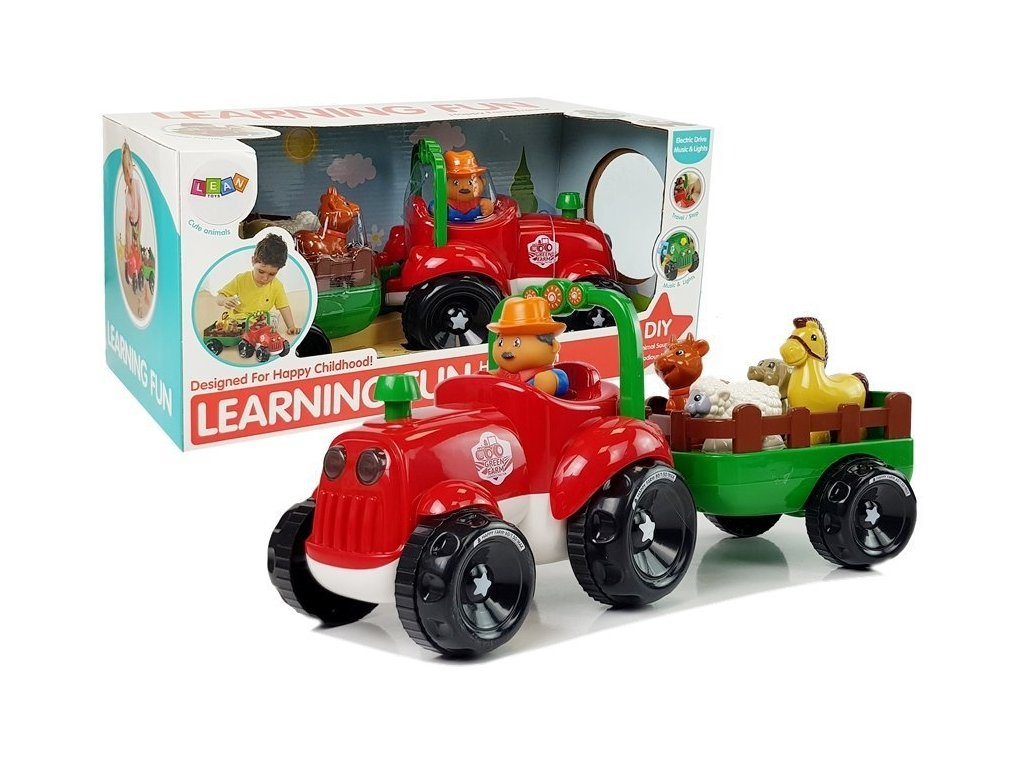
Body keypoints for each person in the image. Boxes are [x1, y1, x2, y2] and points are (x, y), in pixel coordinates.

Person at [216, 233, 300, 334]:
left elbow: (284, 307)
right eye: (261, 271)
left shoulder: (277, 286)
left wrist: (291, 326)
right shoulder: (241, 279)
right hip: (238, 320)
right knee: (230, 327)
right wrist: (224, 300)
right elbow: (219, 297)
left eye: (272, 274)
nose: (265, 278)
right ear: (253, 261)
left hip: (260, 320)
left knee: (272, 320)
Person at [487, 297, 569, 396]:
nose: (507, 350)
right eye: (501, 342)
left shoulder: (547, 375)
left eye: (517, 343)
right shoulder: (501, 375)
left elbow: (561, 383)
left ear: (553, 346)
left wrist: (551, 382)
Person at [443, 150, 494, 222]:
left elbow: (489, 210)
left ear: (483, 182)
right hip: (449, 228)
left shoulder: (479, 203)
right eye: (456, 183)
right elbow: (433, 207)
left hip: (477, 227)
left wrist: (487, 207)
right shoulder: (446, 204)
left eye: (470, 182)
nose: (464, 187)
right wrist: (439, 209)